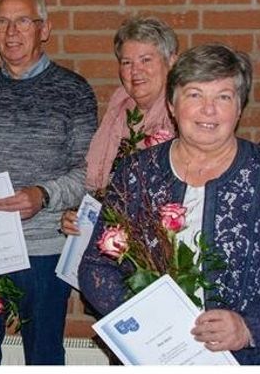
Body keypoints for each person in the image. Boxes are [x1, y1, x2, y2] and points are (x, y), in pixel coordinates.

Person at [79, 44, 260, 364]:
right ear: (172, 104)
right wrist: (142, 316)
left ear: (239, 107)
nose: (208, 110)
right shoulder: (136, 173)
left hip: (248, 362)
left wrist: (249, 326)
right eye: (195, 95)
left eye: (223, 97)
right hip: (154, 356)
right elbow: (96, 266)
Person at [0, 0, 98, 365]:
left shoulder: (74, 90)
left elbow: (89, 172)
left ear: (44, 29)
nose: (11, 32)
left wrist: (43, 194)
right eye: (2, 22)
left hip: (44, 251)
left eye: (22, 21)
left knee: (44, 357)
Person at [60, 17, 177, 236]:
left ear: (171, 61)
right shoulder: (118, 110)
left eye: (146, 60)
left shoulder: (181, 116)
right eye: (126, 62)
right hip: (112, 238)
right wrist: (78, 214)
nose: (136, 71)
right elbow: (99, 185)